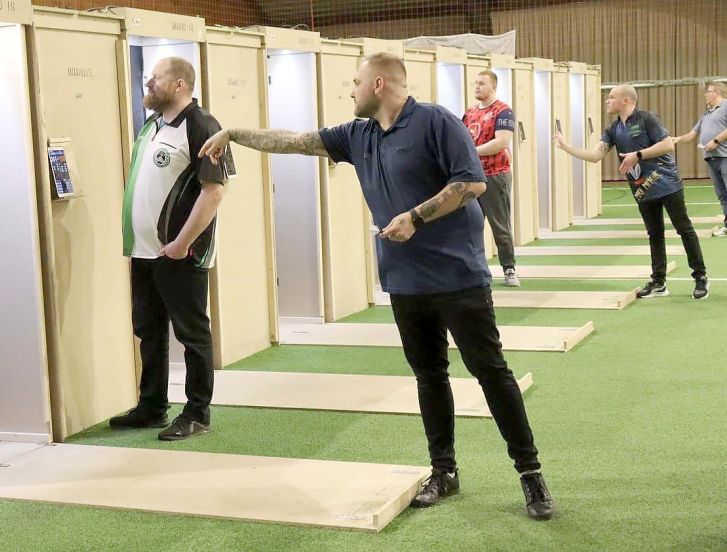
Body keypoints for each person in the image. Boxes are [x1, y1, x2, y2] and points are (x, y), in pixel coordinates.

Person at [199, 52, 554, 521]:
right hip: (405, 280)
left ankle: (530, 474)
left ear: (380, 84)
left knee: (490, 372)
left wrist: (415, 217)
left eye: (355, 83)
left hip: (457, 276)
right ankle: (443, 470)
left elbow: (471, 184)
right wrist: (236, 133)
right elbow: (297, 141)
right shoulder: (358, 134)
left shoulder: (436, 122)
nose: (351, 91)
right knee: (429, 375)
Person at [110, 57, 234, 440]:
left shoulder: (203, 126)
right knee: (149, 330)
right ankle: (152, 407)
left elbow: (214, 192)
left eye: (156, 77)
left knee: (192, 333)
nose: (148, 82)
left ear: (180, 84)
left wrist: (182, 243)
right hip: (146, 253)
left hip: (181, 253)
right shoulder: (152, 125)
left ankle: (197, 412)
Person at [555, 84, 709, 300]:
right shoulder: (612, 129)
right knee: (654, 234)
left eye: (611, 97)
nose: (607, 101)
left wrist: (637, 155)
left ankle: (700, 277)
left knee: (683, 228)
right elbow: (594, 156)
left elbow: (667, 145)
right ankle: (658, 281)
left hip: (667, 183)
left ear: (626, 100)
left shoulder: (647, 119)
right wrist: (566, 147)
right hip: (642, 189)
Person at [463, 70, 519, 286]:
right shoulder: (469, 113)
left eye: (482, 83)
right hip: (473, 177)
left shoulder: (503, 111)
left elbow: (501, 142)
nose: (477, 87)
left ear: (493, 86)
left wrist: (471, 151)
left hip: (496, 176)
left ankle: (509, 268)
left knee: (500, 225)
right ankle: (474, 269)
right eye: (475, 83)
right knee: (471, 225)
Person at [671, 82, 727, 236]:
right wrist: (678, 139)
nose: (705, 94)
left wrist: (716, 141)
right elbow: (693, 134)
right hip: (711, 159)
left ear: (716, 93)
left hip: (725, 157)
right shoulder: (706, 114)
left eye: (708, 91)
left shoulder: (726, 107)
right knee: (722, 194)